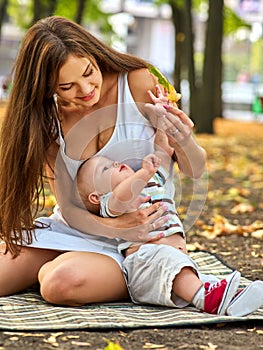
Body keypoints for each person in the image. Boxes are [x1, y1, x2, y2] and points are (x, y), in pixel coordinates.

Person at [0, 15, 261, 316]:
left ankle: (149, 275)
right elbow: (69, 207)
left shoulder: (140, 80)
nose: (85, 89)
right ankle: (66, 261)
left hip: (147, 238)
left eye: (88, 72)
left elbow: (194, 169)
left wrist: (185, 139)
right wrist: (112, 225)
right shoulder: (46, 118)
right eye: (67, 86)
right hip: (78, 229)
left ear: (94, 53)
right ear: (47, 88)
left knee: (59, 283)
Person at [75, 151, 263, 316]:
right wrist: (143, 172)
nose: (116, 164)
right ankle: (208, 299)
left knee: (196, 278)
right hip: (144, 261)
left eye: (113, 162)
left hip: (171, 260)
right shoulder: (111, 202)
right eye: (105, 169)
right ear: (96, 196)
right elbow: (122, 198)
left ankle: (229, 301)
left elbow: (163, 153)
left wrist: (162, 133)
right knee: (177, 270)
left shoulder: (151, 183)